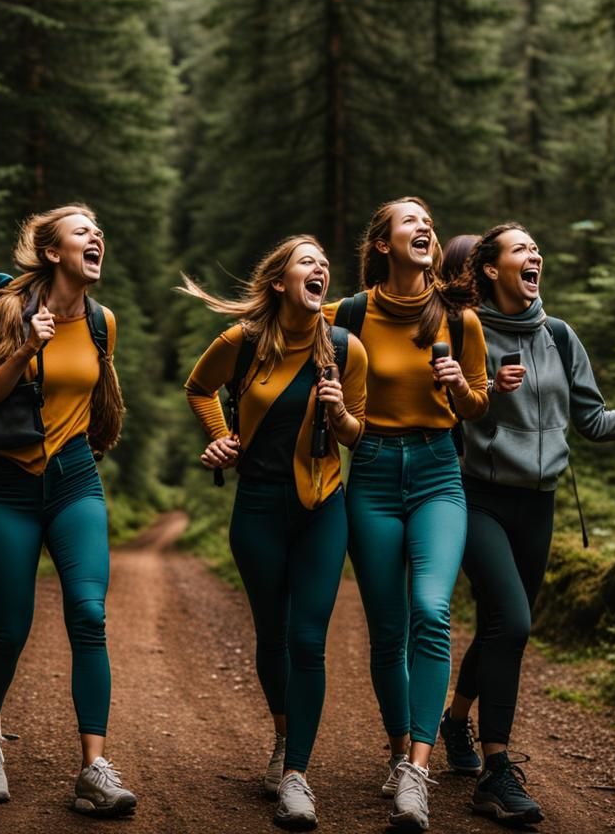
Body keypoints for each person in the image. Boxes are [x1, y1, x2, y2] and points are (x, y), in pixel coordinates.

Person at [437, 223, 615, 825]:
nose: (534, 254)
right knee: (512, 622)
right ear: (491, 269)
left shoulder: (560, 338)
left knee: (501, 624)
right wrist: (478, 387)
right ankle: (496, 772)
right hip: (479, 497)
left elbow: (596, 422)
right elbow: (441, 412)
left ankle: (456, 720)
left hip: (538, 505)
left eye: (537, 248)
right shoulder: (466, 332)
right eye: (521, 249)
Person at [181, 236, 367, 831]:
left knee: (308, 640)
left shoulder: (345, 349)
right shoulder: (242, 344)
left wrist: (339, 415)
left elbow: (357, 433)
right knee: (273, 635)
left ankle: (296, 776)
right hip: (257, 508)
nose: (321, 268)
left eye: (324, 263)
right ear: (280, 282)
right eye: (307, 261)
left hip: (322, 509)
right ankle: (284, 737)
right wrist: (221, 438)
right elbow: (198, 388)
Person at [0, 204, 134, 816]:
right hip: (7, 489)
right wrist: (23, 349)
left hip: (74, 484)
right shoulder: (9, 312)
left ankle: (94, 768)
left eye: (99, 232)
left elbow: (100, 396)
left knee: (89, 615)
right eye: (83, 231)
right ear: (53, 251)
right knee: (10, 627)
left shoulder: (102, 322)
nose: (97, 238)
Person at [323, 197, 489, 832]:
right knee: (387, 628)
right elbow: (307, 367)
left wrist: (459, 387)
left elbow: (475, 408)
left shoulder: (458, 319)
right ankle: (398, 751)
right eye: (409, 221)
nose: (424, 228)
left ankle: (417, 772)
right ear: (384, 244)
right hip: (369, 476)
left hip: (436, 474)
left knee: (431, 609)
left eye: (428, 222)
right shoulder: (349, 316)